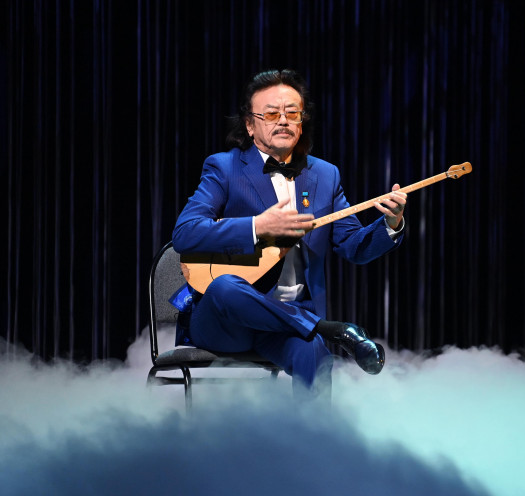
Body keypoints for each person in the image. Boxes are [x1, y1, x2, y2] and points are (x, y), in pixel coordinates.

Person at [172, 69, 406, 395]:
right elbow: (185, 232)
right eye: (271, 114)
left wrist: (391, 224)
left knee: (313, 354)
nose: (283, 120)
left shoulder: (325, 175)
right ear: (250, 125)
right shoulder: (224, 167)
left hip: (289, 324)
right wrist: (258, 226)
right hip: (227, 322)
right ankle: (333, 330)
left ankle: (313, 429)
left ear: (302, 121)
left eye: (292, 113)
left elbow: (354, 246)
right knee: (224, 287)